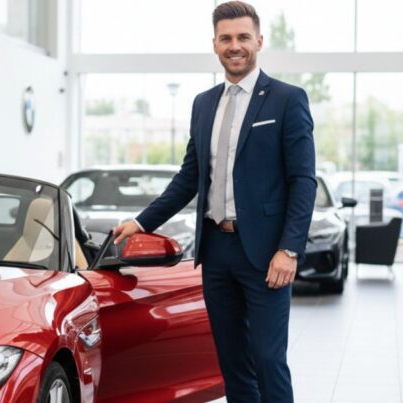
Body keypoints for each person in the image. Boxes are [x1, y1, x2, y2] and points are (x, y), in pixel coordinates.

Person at [112, 2, 316, 401]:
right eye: (226, 38)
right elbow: (189, 176)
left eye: (243, 37)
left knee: (268, 359)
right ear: (215, 44)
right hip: (216, 251)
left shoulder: (287, 99)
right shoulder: (204, 104)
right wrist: (142, 223)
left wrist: (289, 249)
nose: (234, 45)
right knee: (232, 362)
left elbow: (302, 181)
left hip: (266, 254)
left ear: (259, 40)